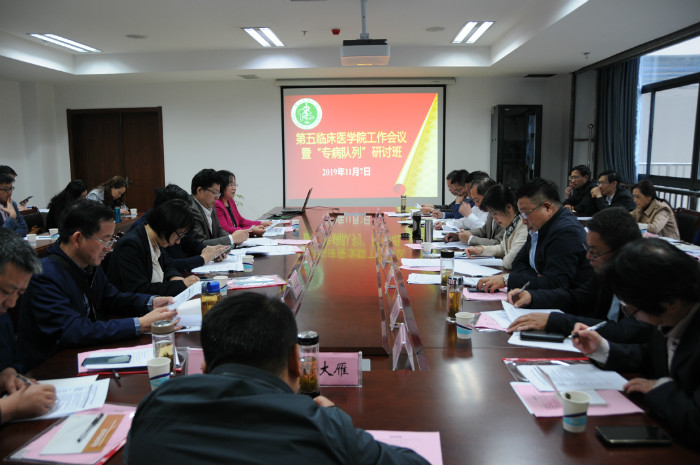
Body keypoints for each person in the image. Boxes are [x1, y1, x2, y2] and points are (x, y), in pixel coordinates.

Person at [125, 292, 430, 465]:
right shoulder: (320, 427)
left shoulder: (154, 408)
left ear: (204, 366)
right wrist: (337, 422)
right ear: (297, 362)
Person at [17, 200, 178, 371]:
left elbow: (111, 298)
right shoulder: (44, 275)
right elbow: (72, 331)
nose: (108, 248)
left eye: (111, 240)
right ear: (77, 239)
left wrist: (150, 302)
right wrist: (139, 324)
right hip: (53, 367)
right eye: (105, 240)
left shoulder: (88, 264)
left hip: (85, 353)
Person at [571, 238, 700, 450]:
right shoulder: (671, 314)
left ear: (671, 303)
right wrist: (603, 349)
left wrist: (660, 388)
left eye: (632, 310)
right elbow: (653, 357)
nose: (632, 316)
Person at [506, 207, 646, 337]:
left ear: (622, 252)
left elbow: (626, 331)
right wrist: (533, 297)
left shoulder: (644, 281)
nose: (588, 256)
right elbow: (577, 297)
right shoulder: (607, 272)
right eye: (588, 249)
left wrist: (555, 321)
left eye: (595, 252)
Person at [477, 178, 593, 292]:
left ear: (547, 207)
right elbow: (518, 262)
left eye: (525, 213)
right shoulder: (538, 226)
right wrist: (536, 278)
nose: (523, 220)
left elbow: (555, 283)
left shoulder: (566, 232)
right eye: (521, 214)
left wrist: (509, 279)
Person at [0, 229, 56, 424]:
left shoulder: (2, 315)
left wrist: (8, 374)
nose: (11, 303)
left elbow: (12, 360)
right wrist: (11, 408)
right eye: (7, 291)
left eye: (19, 294)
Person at [108, 199, 200, 296]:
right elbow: (141, 290)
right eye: (179, 235)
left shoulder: (156, 239)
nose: (178, 241)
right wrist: (180, 285)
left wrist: (175, 277)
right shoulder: (131, 245)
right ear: (167, 227)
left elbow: (168, 265)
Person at [131, 184, 229, 273]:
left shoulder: (173, 225)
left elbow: (189, 241)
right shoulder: (150, 230)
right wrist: (202, 259)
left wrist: (210, 251)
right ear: (169, 211)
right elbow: (166, 264)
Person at [462, 185, 527, 270]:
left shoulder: (524, 226)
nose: (494, 219)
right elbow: (502, 248)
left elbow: (511, 262)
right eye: (492, 215)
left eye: (495, 214)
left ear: (508, 207)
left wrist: (505, 258)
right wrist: (481, 250)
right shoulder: (511, 224)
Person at [189, 169, 249, 246]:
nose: (217, 197)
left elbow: (219, 230)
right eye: (214, 192)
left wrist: (234, 238)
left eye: (218, 193)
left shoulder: (210, 205)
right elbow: (200, 244)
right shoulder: (191, 209)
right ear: (199, 190)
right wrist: (232, 239)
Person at [445, 176, 504, 246]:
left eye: (477, 200)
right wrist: (459, 235)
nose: (476, 204)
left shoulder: (503, 213)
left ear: (488, 196)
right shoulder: (491, 212)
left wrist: (470, 239)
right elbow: (483, 231)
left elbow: (498, 244)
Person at [215, 170, 272, 236]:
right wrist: (252, 230)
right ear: (222, 185)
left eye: (235, 184)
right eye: (230, 184)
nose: (234, 188)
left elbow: (241, 221)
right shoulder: (217, 204)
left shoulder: (230, 201)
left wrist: (261, 223)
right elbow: (226, 229)